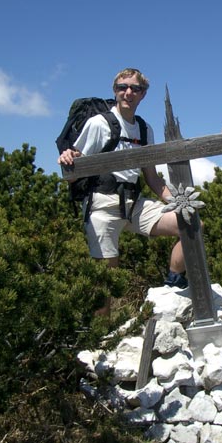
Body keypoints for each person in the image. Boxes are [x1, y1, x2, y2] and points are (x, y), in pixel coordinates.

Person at [58, 67, 187, 317]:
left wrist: (177, 201)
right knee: (106, 280)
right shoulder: (98, 124)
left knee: (190, 223)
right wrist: (69, 159)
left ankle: (173, 280)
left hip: (133, 203)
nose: (128, 92)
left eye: (135, 88)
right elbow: (73, 172)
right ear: (115, 91)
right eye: (122, 87)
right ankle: (100, 340)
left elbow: (151, 177)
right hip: (102, 204)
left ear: (143, 94)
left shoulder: (143, 129)